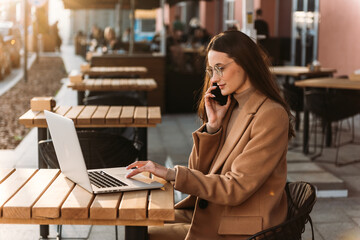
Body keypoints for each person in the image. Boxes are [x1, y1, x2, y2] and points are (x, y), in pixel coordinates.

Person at [126, 30, 295, 239]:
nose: (215, 79)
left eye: (220, 69)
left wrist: (171, 174)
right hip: (215, 212)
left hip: (242, 227)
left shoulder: (270, 115)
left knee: (143, 234)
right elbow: (199, 170)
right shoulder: (232, 105)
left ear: (246, 63)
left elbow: (236, 187)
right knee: (138, 224)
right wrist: (212, 128)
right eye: (211, 70)